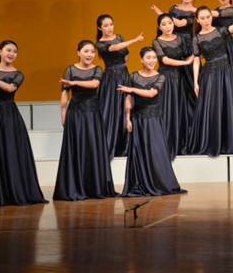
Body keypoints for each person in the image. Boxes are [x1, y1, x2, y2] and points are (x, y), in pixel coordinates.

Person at [0, 40, 48, 207]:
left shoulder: (18, 74)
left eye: (15, 51)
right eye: (8, 50)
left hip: (10, 116)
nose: (12, 54)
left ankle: (14, 191)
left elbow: (9, 89)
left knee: (11, 152)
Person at [53, 40, 117, 201]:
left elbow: (94, 84)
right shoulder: (70, 69)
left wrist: (74, 82)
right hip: (75, 112)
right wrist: (63, 114)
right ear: (78, 52)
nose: (90, 55)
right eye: (86, 51)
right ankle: (75, 187)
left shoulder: (97, 69)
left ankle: (94, 187)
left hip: (92, 113)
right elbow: (64, 92)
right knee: (76, 147)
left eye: (92, 52)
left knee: (92, 147)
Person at [118, 47, 186, 197]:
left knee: (156, 151)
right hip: (137, 118)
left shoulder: (160, 77)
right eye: (148, 57)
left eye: (154, 57)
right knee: (138, 152)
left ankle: (160, 183)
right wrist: (127, 118)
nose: (152, 60)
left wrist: (132, 89)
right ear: (141, 60)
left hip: (153, 118)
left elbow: (151, 93)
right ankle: (140, 184)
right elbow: (128, 98)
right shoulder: (133, 76)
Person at [185, 3, 233, 156]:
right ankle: (211, 142)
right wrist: (195, 82)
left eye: (208, 17)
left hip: (225, 71)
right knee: (211, 106)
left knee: (226, 104)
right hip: (209, 75)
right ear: (197, 20)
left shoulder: (220, 30)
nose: (206, 20)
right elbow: (197, 60)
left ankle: (227, 144)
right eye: (203, 18)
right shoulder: (196, 38)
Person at [95, 15, 144, 159]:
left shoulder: (119, 37)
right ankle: (110, 144)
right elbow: (115, 48)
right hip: (111, 79)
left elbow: (126, 56)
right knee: (111, 109)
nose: (109, 28)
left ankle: (127, 144)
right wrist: (134, 40)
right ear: (99, 28)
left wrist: (120, 62)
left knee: (126, 107)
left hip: (124, 75)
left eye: (111, 24)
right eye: (105, 25)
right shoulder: (99, 43)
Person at [151, 0, 199, 123]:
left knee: (190, 80)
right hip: (170, 44)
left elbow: (179, 24)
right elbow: (168, 23)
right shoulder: (173, 8)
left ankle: (193, 117)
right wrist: (163, 16)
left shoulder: (196, 12)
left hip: (187, 44)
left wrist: (161, 14)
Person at [152, 13, 195, 160]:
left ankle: (179, 143)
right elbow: (165, 60)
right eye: (164, 24)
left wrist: (195, 55)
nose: (168, 26)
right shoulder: (157, 41)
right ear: (159, 27)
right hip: (165, 79)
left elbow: (188, 54)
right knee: (166, 110)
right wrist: (185, 62)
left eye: (170, 23)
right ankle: (165, 145)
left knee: (179, 109)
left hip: (180, 78)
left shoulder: (180, 39)